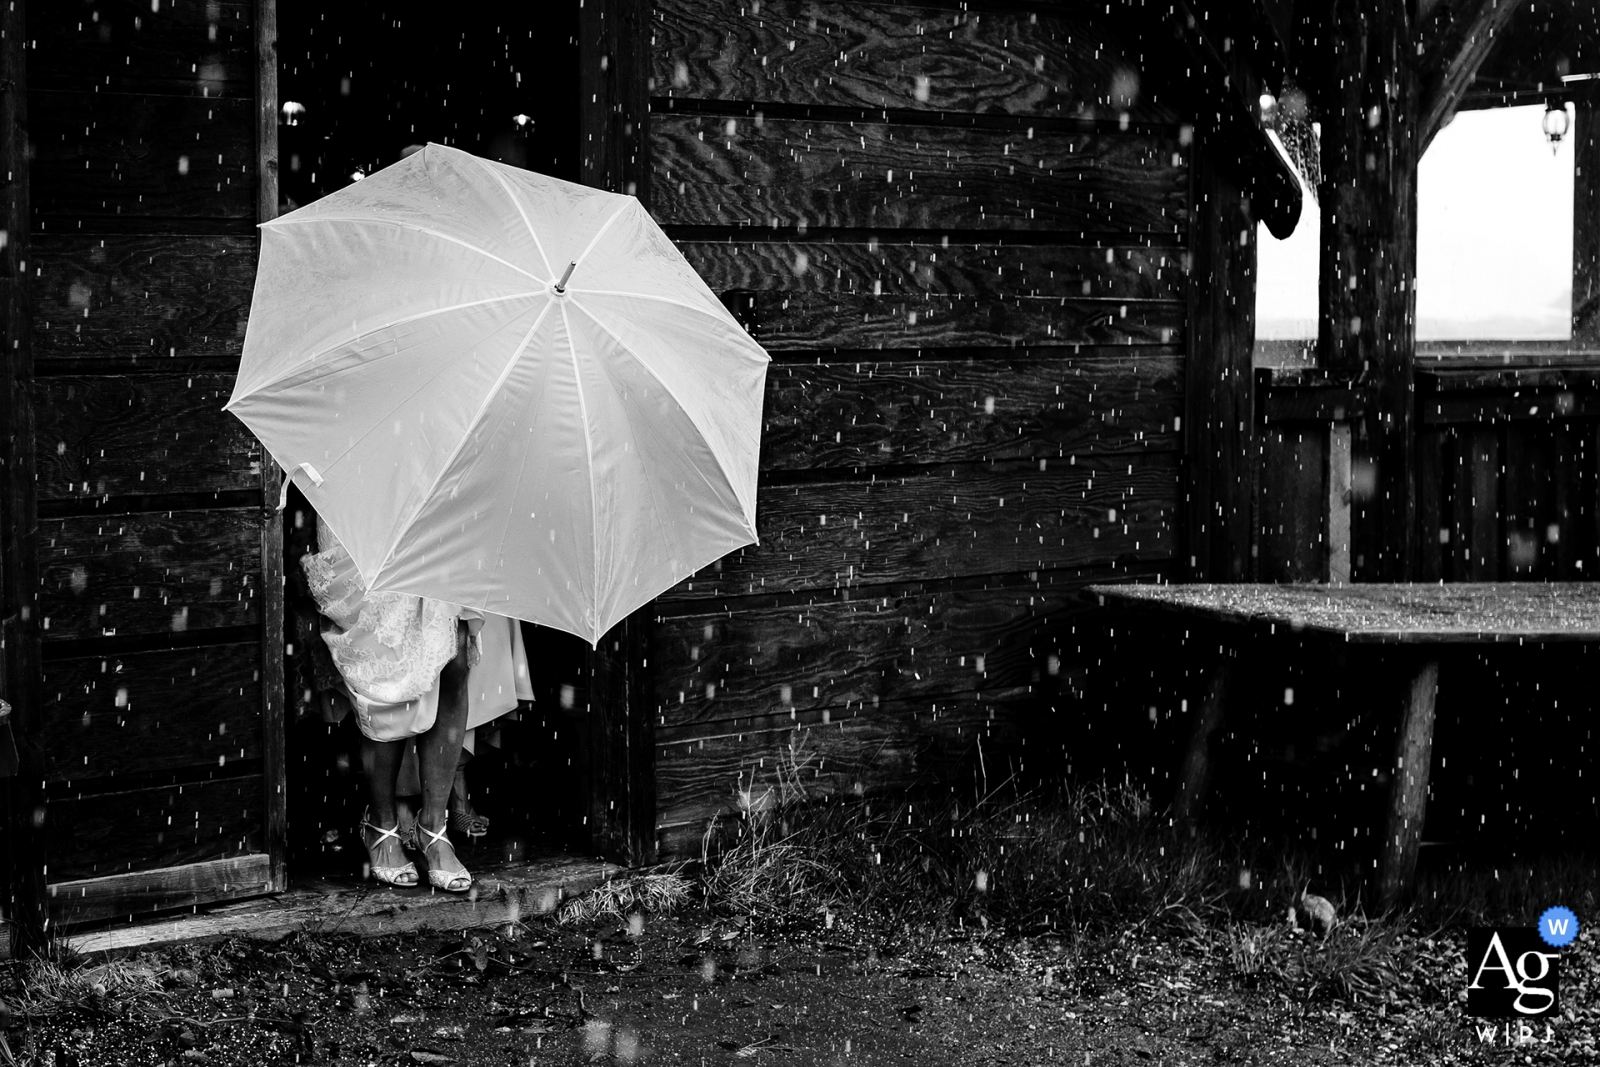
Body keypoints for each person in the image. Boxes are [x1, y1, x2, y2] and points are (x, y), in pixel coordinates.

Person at [301, 522, 527, 890]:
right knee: (386, 660)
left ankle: (432, 826)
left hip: (436, 501)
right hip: (369, 504)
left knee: (454, 652)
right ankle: (382, 822)